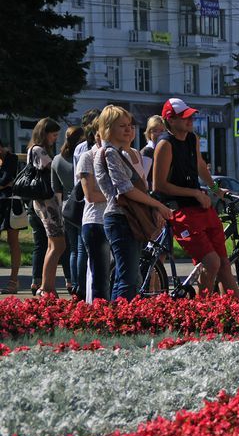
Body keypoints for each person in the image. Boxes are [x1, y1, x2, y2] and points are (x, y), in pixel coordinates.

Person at [152, 97, 238, 298]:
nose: (190, 120)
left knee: (224, 263)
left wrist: (215, 189)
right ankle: (202, 310)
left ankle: (237, 312)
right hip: (180, 210)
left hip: (200, 207)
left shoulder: (192, 138)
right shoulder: (165, 144)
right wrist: (195, 192)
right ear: (170, 120)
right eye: (185, 117)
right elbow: (159, 185)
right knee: (212, 262)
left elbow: (200, 166)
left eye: (191, 116)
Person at [95, 105, 173, 300]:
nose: (129, 129)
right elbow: (125, 189)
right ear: (108, 128)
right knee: (128, 278)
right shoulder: (109, 153)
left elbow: (140, 188)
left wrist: (153, 207)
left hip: (129, 219)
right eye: (122, 126)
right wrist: (158, 205)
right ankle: (118, 323)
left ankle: (118, 319)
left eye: (130, 125)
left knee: (131, 277)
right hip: (120, 219)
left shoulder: (121, 153)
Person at [28, 118, 63, 297]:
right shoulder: (39, 150)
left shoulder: (33, 149)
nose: (55, 138)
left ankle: (46, 286)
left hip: (43, 202)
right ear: (45, 133)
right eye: (54, 134)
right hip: (46, 203)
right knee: (57, 244)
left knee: (53, 244)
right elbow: (52, 169)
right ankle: (46, 287)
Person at [77, 127, 111, 302]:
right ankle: (97, 318)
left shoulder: (116, 155)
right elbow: (89, 195)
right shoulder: (87, 157)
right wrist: (117, 195)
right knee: (99, 277)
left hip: (115, 219)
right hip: (96, 221)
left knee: (112, 275)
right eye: (101, 134)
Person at [52, 126, 85, 296]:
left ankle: (73, 282)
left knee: (73, 249)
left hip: (66, 205)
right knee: (81, 248)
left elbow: (56, 189)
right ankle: (81, 284)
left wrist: (60, 210)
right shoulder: (80, 157)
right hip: (80, 204)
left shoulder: (57, 159)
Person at [0, 139, 22, 294]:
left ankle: (14, 280)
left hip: (10, 204)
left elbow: (5, 179)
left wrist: (5, 184)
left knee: (12, 241)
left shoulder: (11, 158)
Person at [140, 115, 165, 183]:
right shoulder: (148, 151)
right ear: (149, 133)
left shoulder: (164, 151)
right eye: (155, 131)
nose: (159, 134)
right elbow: (142, 180)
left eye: (162, 131)